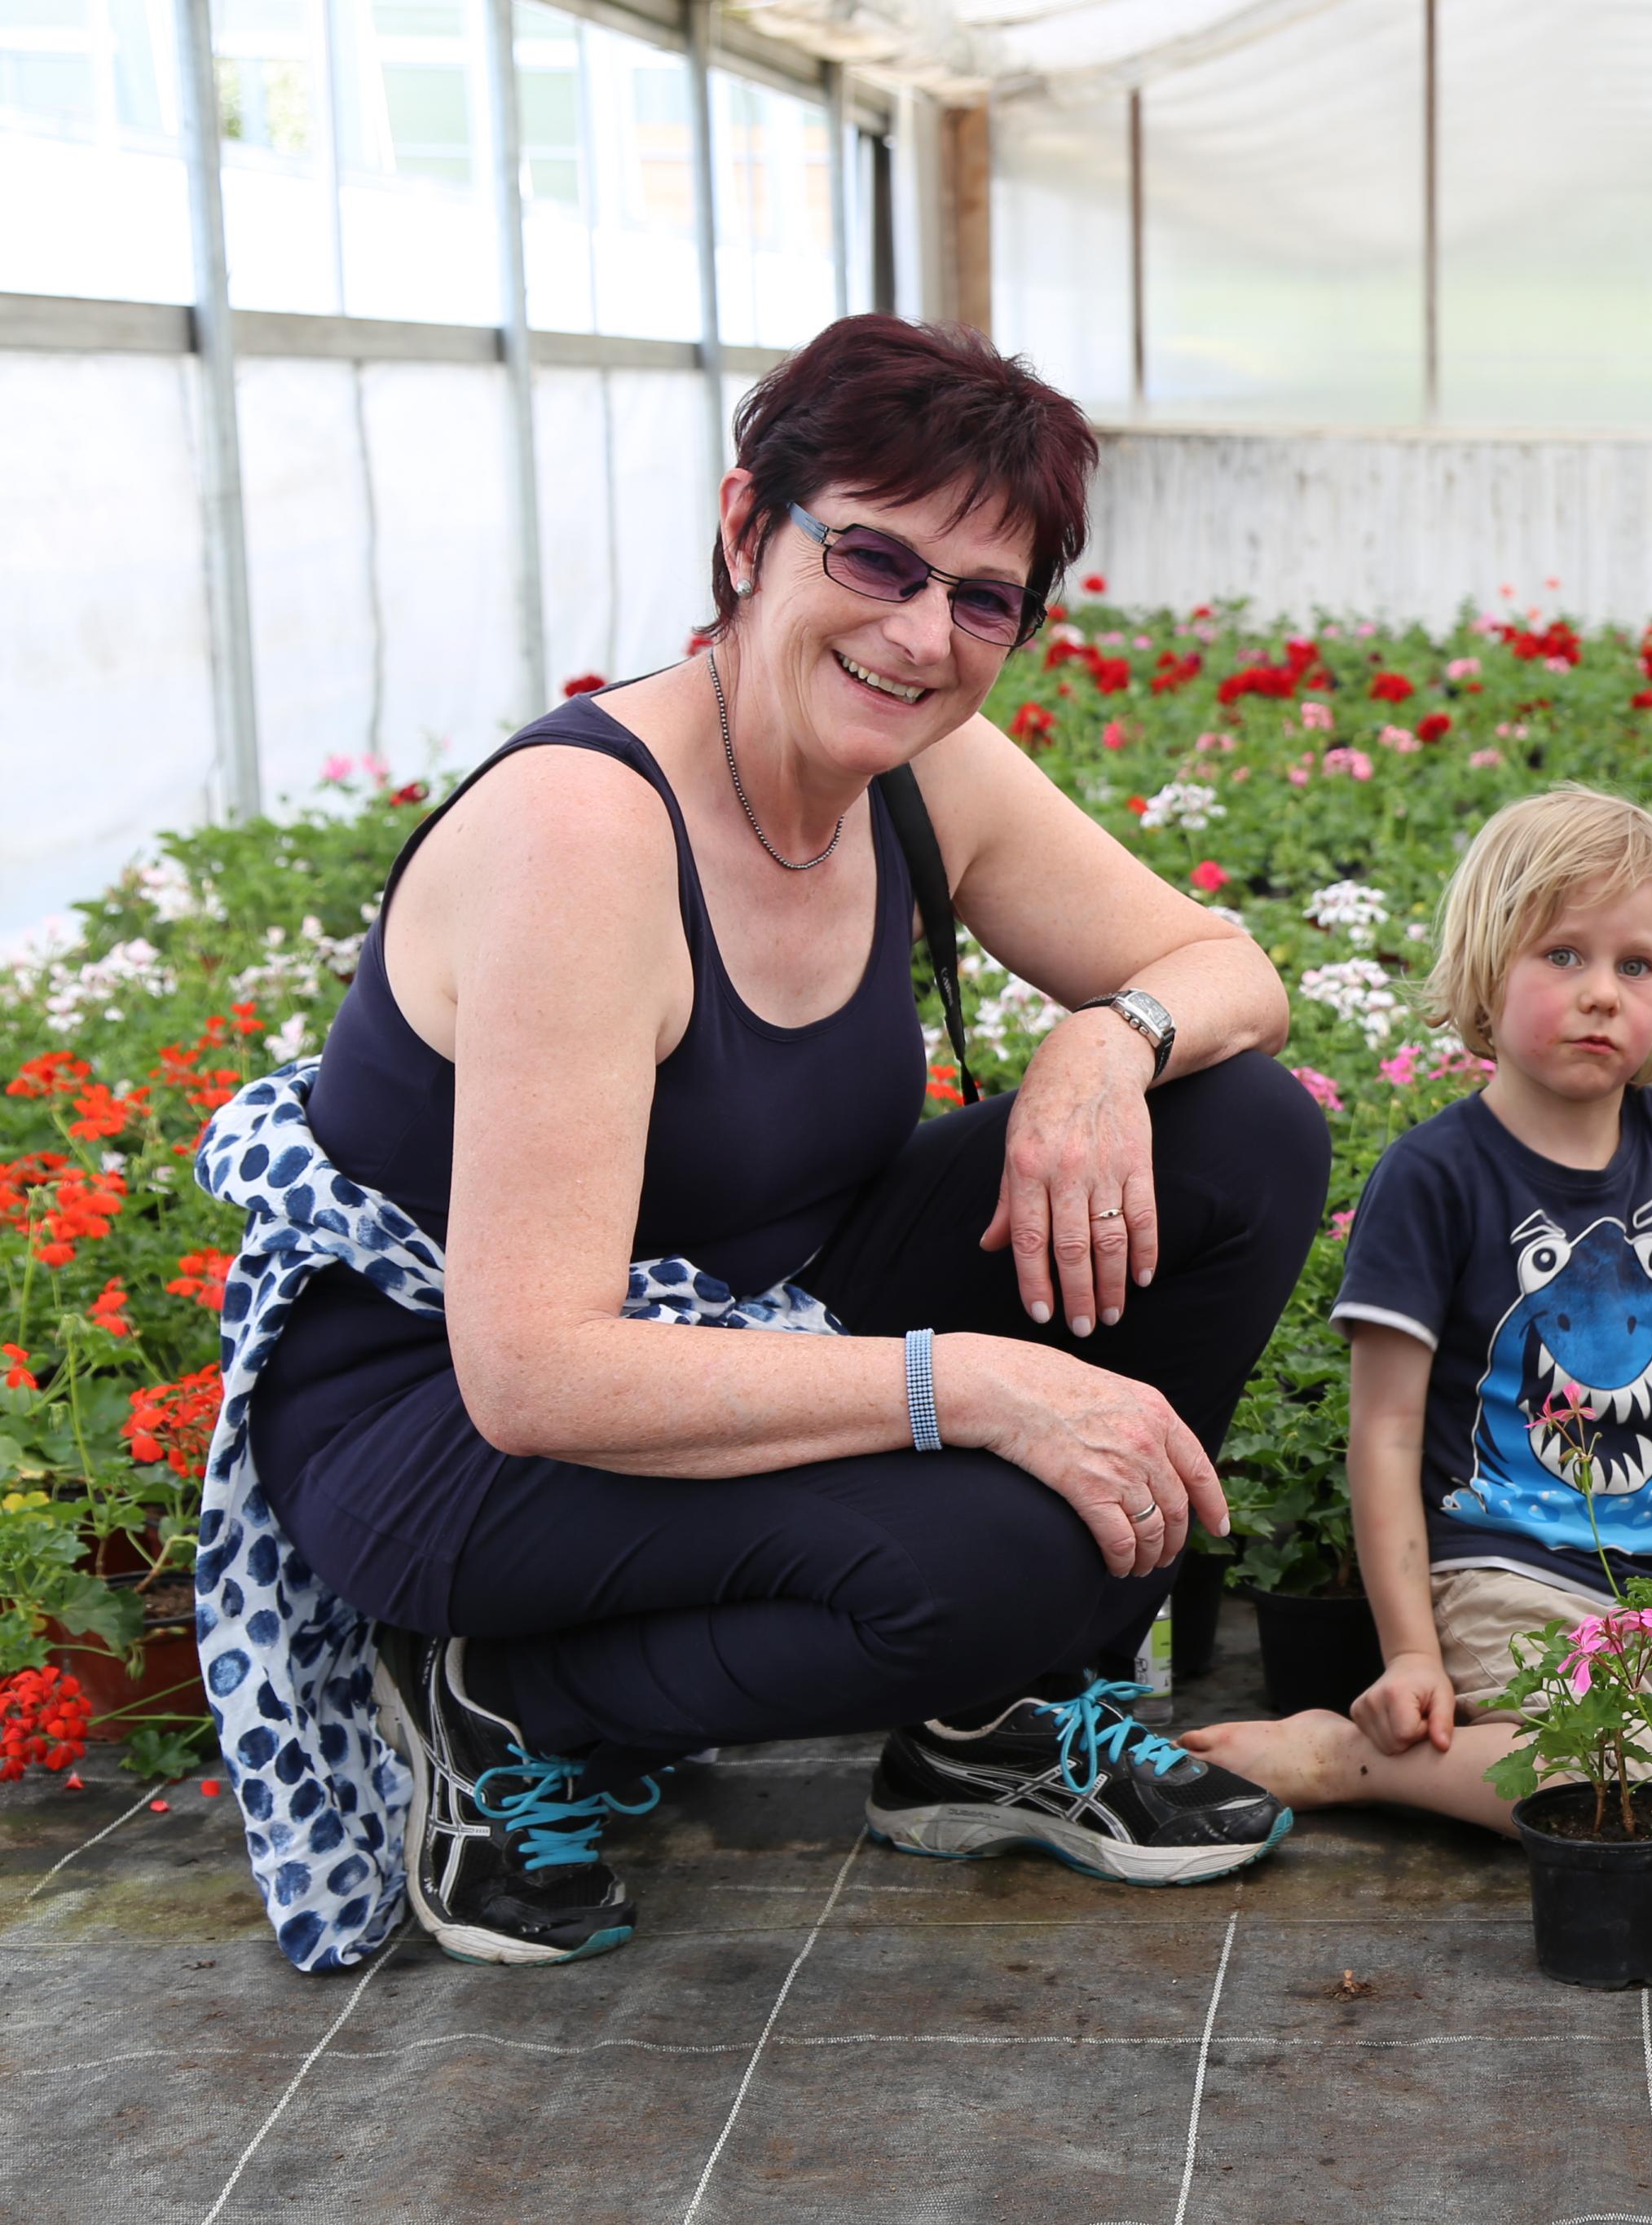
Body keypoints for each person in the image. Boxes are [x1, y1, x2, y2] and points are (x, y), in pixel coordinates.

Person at [209, 315, 1325, 1972]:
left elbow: (1228, 973)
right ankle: (501, 1698)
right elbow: (534, 1373)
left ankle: (993, 1732)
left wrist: (1106, 1039)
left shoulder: (923, 777)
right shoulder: (587, 837)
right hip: (448, 1426)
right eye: (873, 559)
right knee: (1008, 1555)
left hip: (755, 1317)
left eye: (984, 598)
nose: (921, 634)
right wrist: (975, 1384)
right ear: (746, 528)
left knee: (1232, 1131)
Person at [1184, 787, 1652, 1828]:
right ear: (1484, 970)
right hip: (1503, 1581)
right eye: (1563, 955)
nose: (1602, 994)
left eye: (1637, 965)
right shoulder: (1433, 1176)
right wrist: (1411, 1653)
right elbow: (1386, 1430)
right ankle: (1347, 1761)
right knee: (1611, 1781)